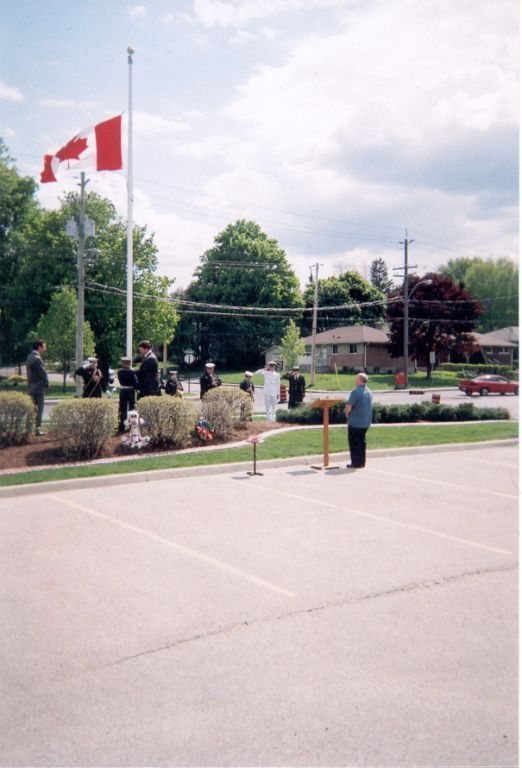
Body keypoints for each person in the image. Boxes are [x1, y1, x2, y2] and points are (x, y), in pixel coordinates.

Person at [345, 372, 373, 469]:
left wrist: (346, 414)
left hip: (355, 422)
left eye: (356, 378)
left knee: (354, 443)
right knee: (362, 442)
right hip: (365, 422)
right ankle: (361, 462)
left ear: (360, 380)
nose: (355, 380)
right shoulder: (369, 391)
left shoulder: (355, 392)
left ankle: (355, 463)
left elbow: (349, 406)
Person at [26, 339, 49, 435]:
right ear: (39, 347)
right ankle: (37, 429)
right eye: (44, 347)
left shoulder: (29, 357)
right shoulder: (37, 358)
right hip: (38, 389)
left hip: (31, 388)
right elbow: (43, 374)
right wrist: (47, 383)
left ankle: (29, 429)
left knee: (31, 410)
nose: (45, 349)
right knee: (39, 409)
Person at [117, 356, 139, 433]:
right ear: (130, 363)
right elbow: (135, 383)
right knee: (131, 408)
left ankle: (121, 425)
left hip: (123, 390)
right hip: (130, 390)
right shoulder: (132, 372)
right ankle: (131, 425)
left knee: (122, 408)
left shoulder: (119, 371)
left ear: (123, 363)